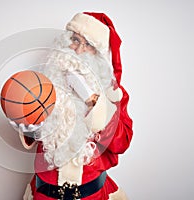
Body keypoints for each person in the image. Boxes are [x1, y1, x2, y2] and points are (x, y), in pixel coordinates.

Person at [11, 12, 133, 200]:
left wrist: (91, 99)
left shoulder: (113, 93)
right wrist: (26, 124)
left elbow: (122, 142)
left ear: (99, 55)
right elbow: (33, 134)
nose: (78, 50)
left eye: (89, 45)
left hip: (91, 196)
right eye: (75, 40)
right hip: (45, 194)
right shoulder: (45, 83)